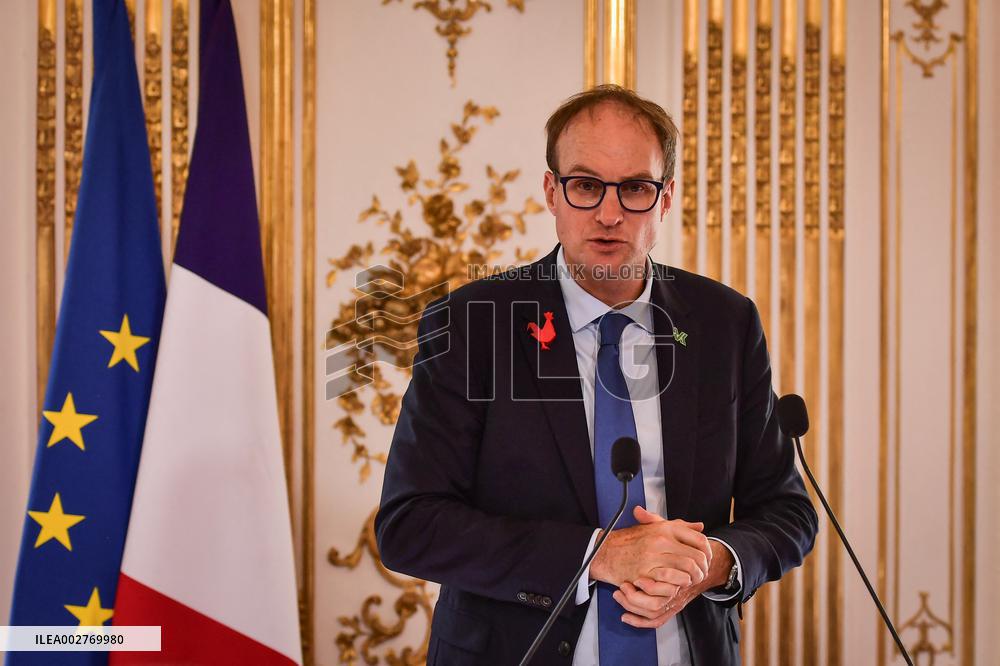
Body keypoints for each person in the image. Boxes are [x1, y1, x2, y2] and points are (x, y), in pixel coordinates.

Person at [375, 85, 818, 666]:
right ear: (551, 193)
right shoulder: (473, 324)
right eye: (586, 186)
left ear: (665, 200)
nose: (610, 214)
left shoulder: (724, 323)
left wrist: (712, 562)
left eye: (635, 188)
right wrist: (599, 555)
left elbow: (787, 510)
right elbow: (411, 525)